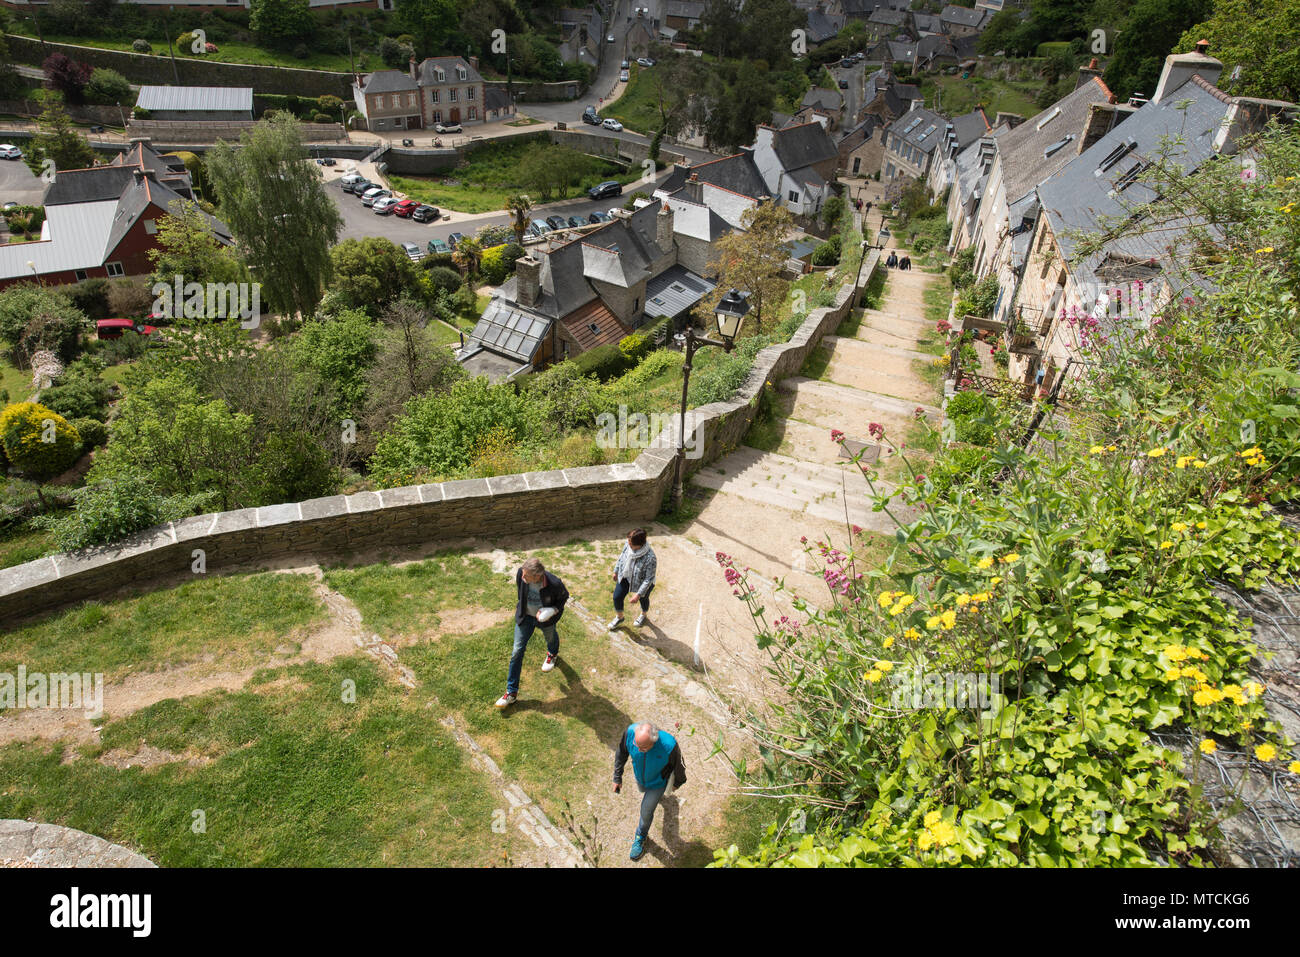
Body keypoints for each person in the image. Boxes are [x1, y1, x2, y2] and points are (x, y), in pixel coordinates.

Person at [494, 558, 570, 708]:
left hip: (545, 620)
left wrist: (552, 610)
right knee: (517, 651)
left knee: (550, 637)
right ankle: (511, 693)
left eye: (526, 576)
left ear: (537, 576)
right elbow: (520, 593)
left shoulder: (554, 583)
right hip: (526, 618)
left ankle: (552, 654)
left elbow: (564, 597)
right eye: (522, 574)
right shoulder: (520, 574)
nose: (522, 578)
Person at [614, 721, 685, 860]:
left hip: (658, 783)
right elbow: (621, 753)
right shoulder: (630, 733)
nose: (639, 750)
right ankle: (659, 799)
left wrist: (677, 783)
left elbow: (680, 766)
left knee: (646, 810)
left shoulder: (669, 746)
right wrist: (617, 777)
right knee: (641, 789)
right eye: (637, 745)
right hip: (641, 779)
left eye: (644, 748)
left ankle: (640, 836)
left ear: (654, 741)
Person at [607, 528, 657, 631]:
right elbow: (621, 557)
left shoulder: (650, 558)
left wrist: (638, 594)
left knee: (643, 599)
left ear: (640, 545)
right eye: (628, 542)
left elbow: (648, 579)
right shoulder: (628, 543)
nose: (628, 545)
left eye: (631, 545)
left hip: (642, 582)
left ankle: (643, 614)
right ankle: (620, 617)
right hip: (625, 576)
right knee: (617, 597)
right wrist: (616, 571)